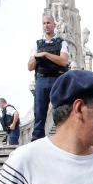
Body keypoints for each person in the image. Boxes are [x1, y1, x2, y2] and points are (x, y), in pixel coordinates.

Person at [28, 13, 70, 141]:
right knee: (39, 112)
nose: (46, 25)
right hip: (41, 80)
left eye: (48, 23)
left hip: (58, 79)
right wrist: (37, 56)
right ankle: (37, 142)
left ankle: (63, 140)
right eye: (44, 23)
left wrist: (46, 54)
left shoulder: (61, 43)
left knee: (61, 112)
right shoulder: (37, 44)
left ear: (54, 24)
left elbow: (64, 61)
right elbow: (30, 67)